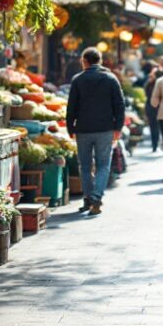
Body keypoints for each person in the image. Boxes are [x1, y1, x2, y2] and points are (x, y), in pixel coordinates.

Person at [66, 46, 126, 216]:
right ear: (100, 60)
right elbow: (119, 105)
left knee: (84, 166)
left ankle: (88, 198)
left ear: (84, 61)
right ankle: (96, 198)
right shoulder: (111, 78)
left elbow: (72, 107)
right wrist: (118, 127)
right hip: (105, 129)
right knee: (103, 165)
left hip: (83, 129)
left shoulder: (78, 80)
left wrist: (70, 127)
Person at [142, 60, 163, 153]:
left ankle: (157, 144)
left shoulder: (160, 84)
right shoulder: (149, 84)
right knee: (153, 127)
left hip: (159, 108)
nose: (151, 74)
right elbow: (146, 93)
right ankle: (154, 145)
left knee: (157, 127)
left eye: (153, 73)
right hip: (151, 108)